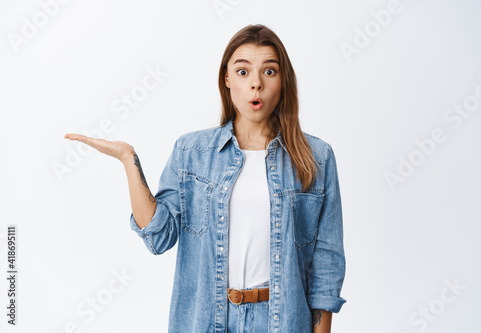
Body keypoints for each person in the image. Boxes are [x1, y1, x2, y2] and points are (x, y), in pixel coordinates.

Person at [65, 24, 346, 333]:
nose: (256, 84)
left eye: (269, 72)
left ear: (283, 81)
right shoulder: (192, 152)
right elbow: (159, 237)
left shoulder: (316, 157)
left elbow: (326, 265)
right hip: (206, 321)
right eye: (242, 72)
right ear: (226, 79)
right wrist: (129, 160)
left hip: (282, 321)